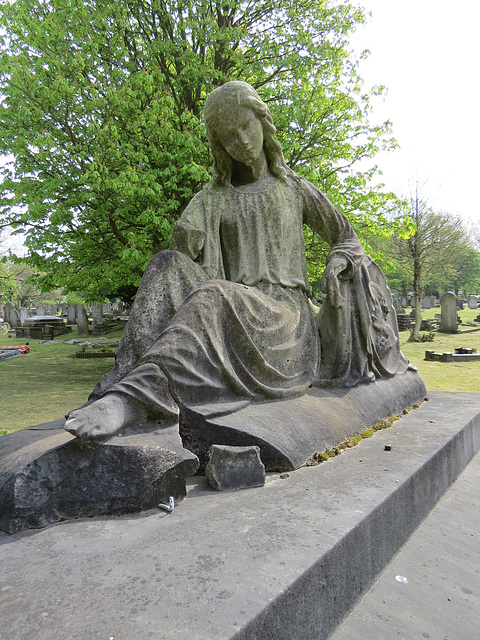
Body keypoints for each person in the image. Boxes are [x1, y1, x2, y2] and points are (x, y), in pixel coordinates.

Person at [65, 81, 407, 440]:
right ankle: (124, 379)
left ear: (263, 120)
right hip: (232, 307)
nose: (241, 140)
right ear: (220, 146)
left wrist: (339, 263)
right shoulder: (213, 198)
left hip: (283, 323)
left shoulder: (292, 188)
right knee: (164, 264)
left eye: (246, 126)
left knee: (216, 294)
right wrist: (186, 240)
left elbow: (346, 238)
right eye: (229, 136)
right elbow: (182, 252)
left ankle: (133, 400)